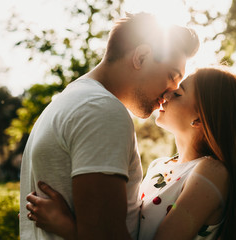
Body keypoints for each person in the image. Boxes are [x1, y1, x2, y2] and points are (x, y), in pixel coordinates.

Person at [19, 12, 199, 240]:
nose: (172, 90)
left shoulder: (68, 101)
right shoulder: (101, 110)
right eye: (172, 75)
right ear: (141, 57)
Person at [26, 67, 236, 240]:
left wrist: (67, 227)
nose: (166, 95)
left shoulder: (211, 172)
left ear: (200, 118)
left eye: (178, 94)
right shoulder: (160, 167)